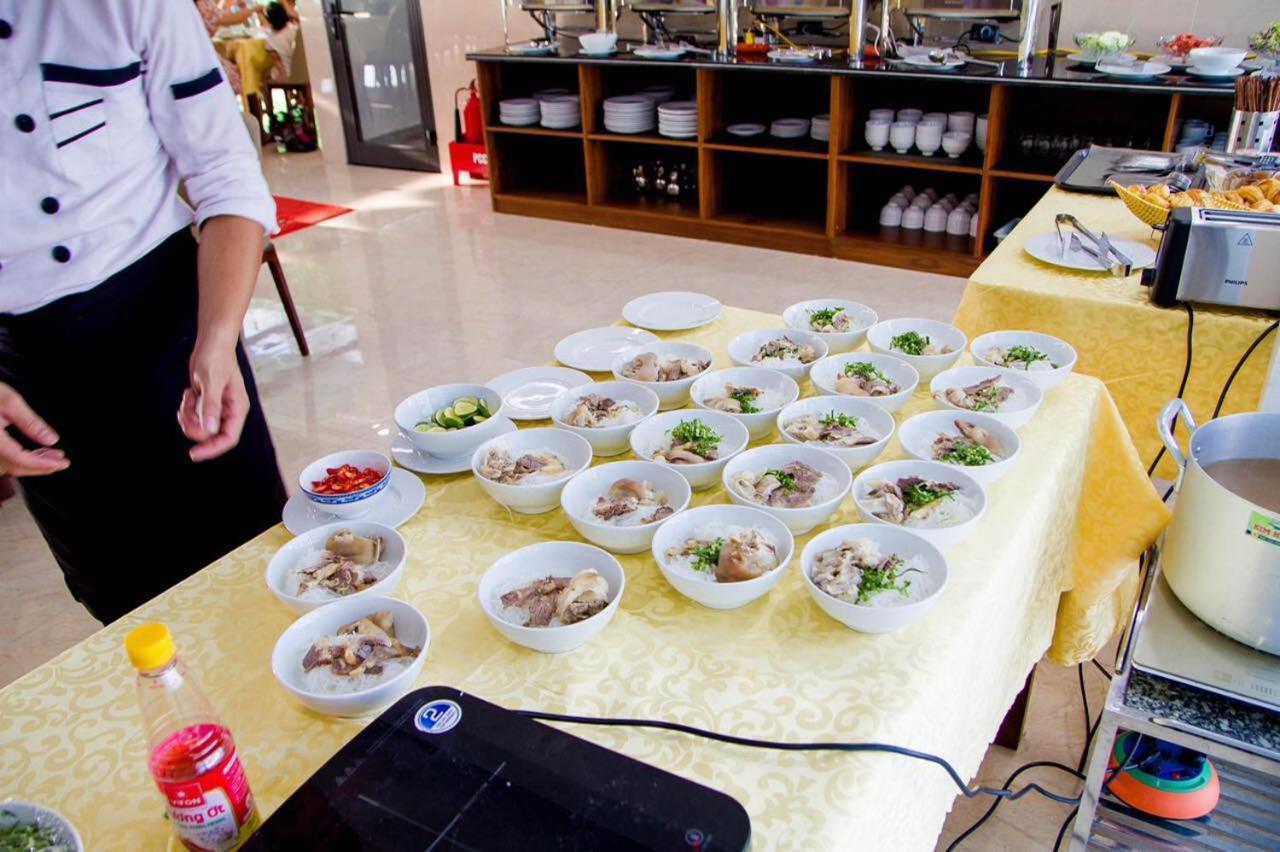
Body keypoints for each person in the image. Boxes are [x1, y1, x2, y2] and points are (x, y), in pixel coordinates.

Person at [0, 1, 288, 623]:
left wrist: (218, 338)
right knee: (126, 603)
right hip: (28, 371)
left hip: (175, 331)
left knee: (261, 571)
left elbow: (223, 171)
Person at [261, 2, 300, 82]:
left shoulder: (270, 42)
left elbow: (281, 68)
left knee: (263, 75)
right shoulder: (296, 30)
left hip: (288, 73)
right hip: (304, 69)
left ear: (269, 21)